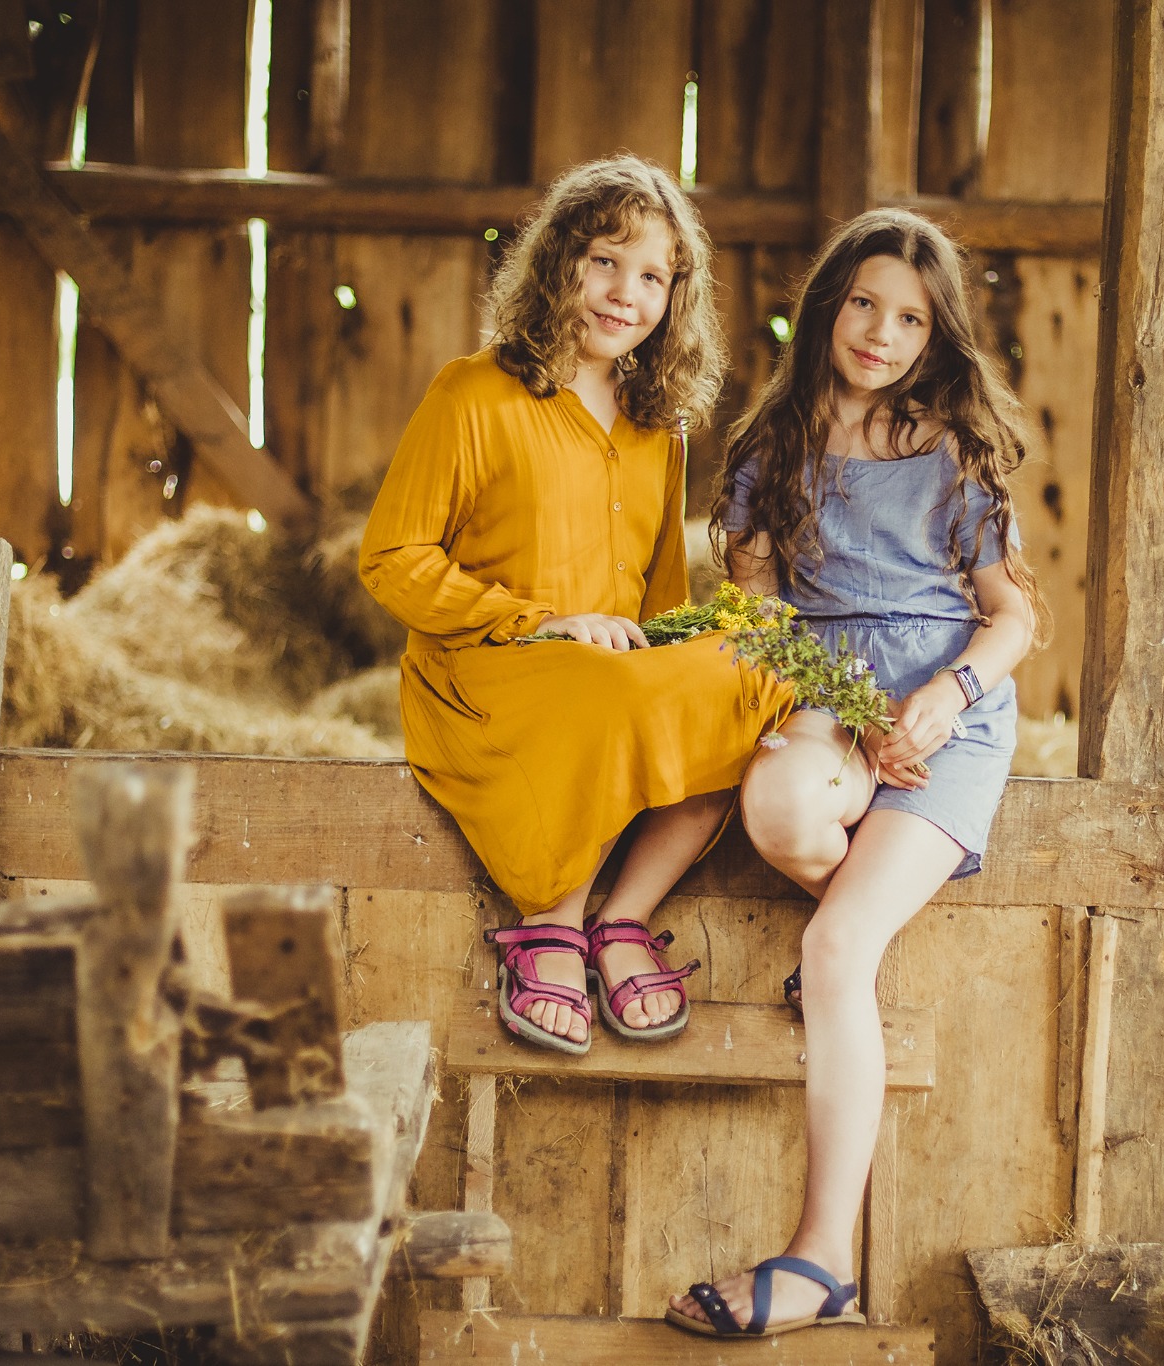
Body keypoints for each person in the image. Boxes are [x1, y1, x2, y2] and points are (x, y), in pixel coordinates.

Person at [667, 208, 1042, 1338]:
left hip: (947, 720)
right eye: (864, 303)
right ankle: (842, 956)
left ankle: (819, 1258)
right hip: (827, 696)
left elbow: (1010, 615)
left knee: (834, 952)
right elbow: (756, 612)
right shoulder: (767, 448)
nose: (880, 333)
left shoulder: (954, 452)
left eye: (910, 318)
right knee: (773, 802)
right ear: (826, 303)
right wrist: (848, 707)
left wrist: (941, 699)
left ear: (935, 338)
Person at [360, 155, 786, 1056]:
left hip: (609, 675)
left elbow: (661, 596)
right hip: (489, 669)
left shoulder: (655, 426)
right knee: (606, 689)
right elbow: (390, 560)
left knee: (753, 682)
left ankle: (620, 918)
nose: (623, 293)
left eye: (652, 276)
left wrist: (694, 657)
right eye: (604, 260)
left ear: (675, 295)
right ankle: (550, 921)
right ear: (559, 261)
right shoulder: (472, 392)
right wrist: (538, 621)